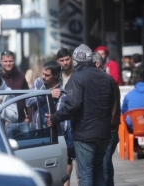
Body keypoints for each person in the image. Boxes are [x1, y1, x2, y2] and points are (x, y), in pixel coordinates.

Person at [46, 44, 114, 186]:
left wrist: (54, 118)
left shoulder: (76, 78)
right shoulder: (106, 77)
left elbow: (72, 105)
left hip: (85, 134)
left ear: (75, 61)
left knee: (86, 174)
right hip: (104, 133)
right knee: (99, 171)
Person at [93, 52, 121, 186]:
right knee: (106, 163)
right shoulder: (107, 80)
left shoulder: (104, 81)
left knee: (104, 164)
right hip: (110, 128)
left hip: (107, 129)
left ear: (97, 64)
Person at [0, 50, 32, 138]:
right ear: (1, 62)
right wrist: (3, 120)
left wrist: (29, 117)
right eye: (5, 61)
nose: (8, 64)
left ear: (14, 61)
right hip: (6, 123)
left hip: (23, 122)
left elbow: (28, 97)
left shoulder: (20, 75)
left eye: (10, 61)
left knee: (28, 149)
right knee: (8, 150)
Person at [25, 61, 66, 130]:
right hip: (35, 130)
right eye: (43, 73)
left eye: (47, 75)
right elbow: (28, 102)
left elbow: (60, 119)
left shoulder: (60, 92)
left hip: (49, 133)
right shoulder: (39, 82)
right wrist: (47, 96)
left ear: (56, 75)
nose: (43, 77)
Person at [56, 48, 77, 186]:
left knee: (75, 154)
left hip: (76, 118)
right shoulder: (56, 75)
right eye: (62, 60)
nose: (65, 63)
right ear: (58, 61)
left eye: (67, 59)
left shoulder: (78, 74)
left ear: (71, 59)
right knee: (65, 155)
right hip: (61, 119)